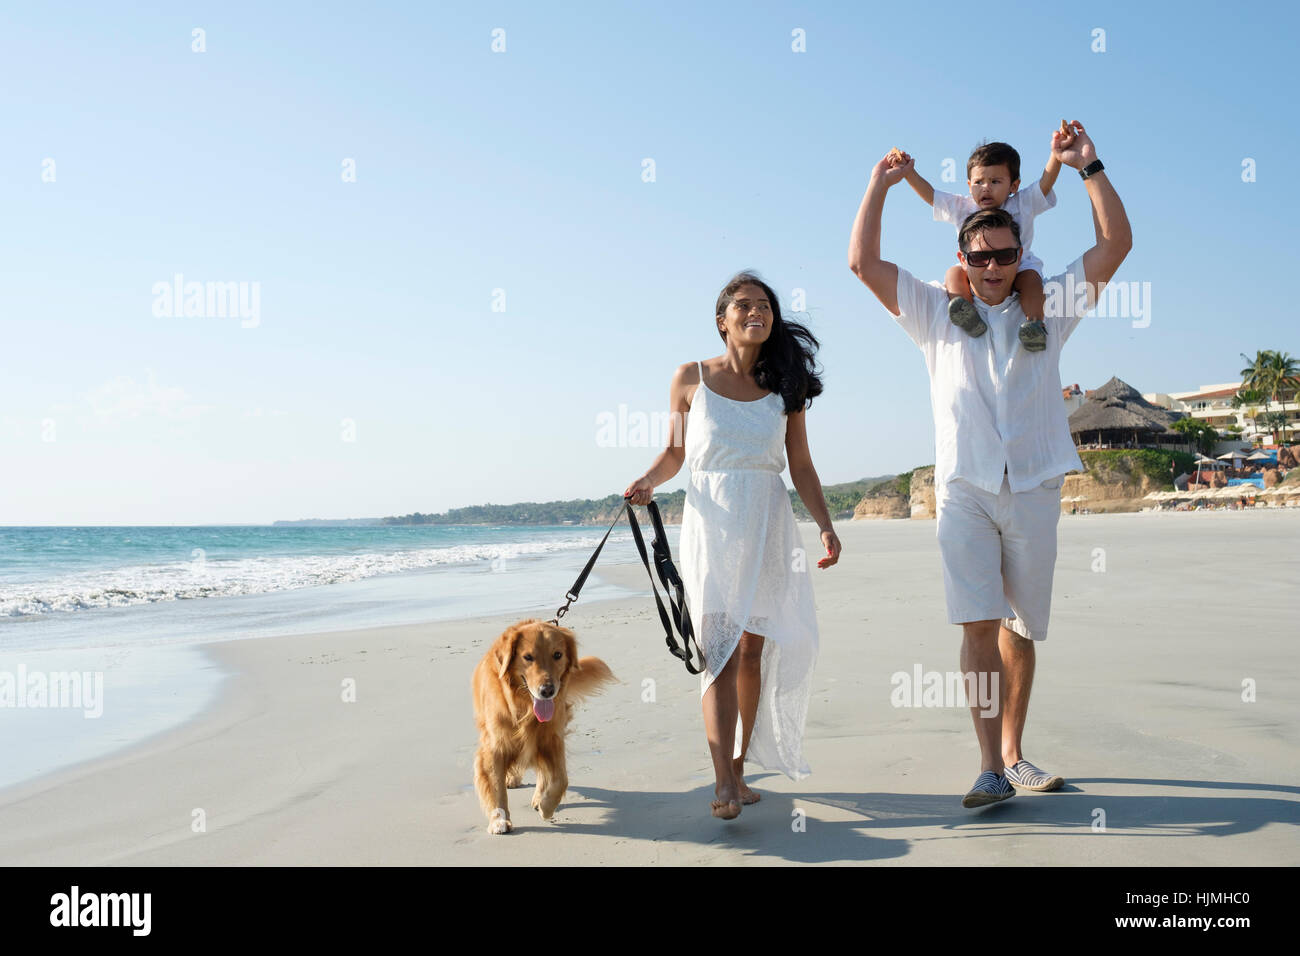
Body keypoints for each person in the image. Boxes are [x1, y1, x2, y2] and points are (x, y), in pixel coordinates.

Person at [847, 120, 1132, 807]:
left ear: (1020, 251)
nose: (995, 268)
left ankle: (1015, 752)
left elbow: (1116, 244)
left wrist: (1089, 167)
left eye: (1005, 255)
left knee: (1021, 627)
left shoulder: (1051, 308)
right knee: (978, 623)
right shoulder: (934, 313)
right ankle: (988, 766)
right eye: (982, 258)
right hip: (965, 491)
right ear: (964, 256)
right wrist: (878, 186)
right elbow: (862, 264)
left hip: (1033, 484)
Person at [624, 272, 842, 819]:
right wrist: (648, 480)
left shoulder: (785, 388)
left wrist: (825, 524)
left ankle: (740, 767)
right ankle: (721, 782)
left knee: (752, 648)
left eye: (764, 305)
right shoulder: (690, 377)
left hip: (767, 521)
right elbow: (673, 454)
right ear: (722, 320)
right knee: (717, 651)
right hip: (712, 524)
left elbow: (802, 464)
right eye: (743, 305)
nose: (755, 312)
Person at [892, 134, 1064, 351]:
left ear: (1014, 185)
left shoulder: (1023, 203)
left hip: (1018, 266)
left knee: (1032, 283)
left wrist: (1056, 156)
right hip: (976, 267)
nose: (985, 188)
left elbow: (1045, 183)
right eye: (979, 182)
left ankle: (1034, 325)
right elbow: (931, 196)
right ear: (969, 184)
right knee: (953, 275)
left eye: (995, 182)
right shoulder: (963, 207)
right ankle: (966, 311)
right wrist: (909, 173)